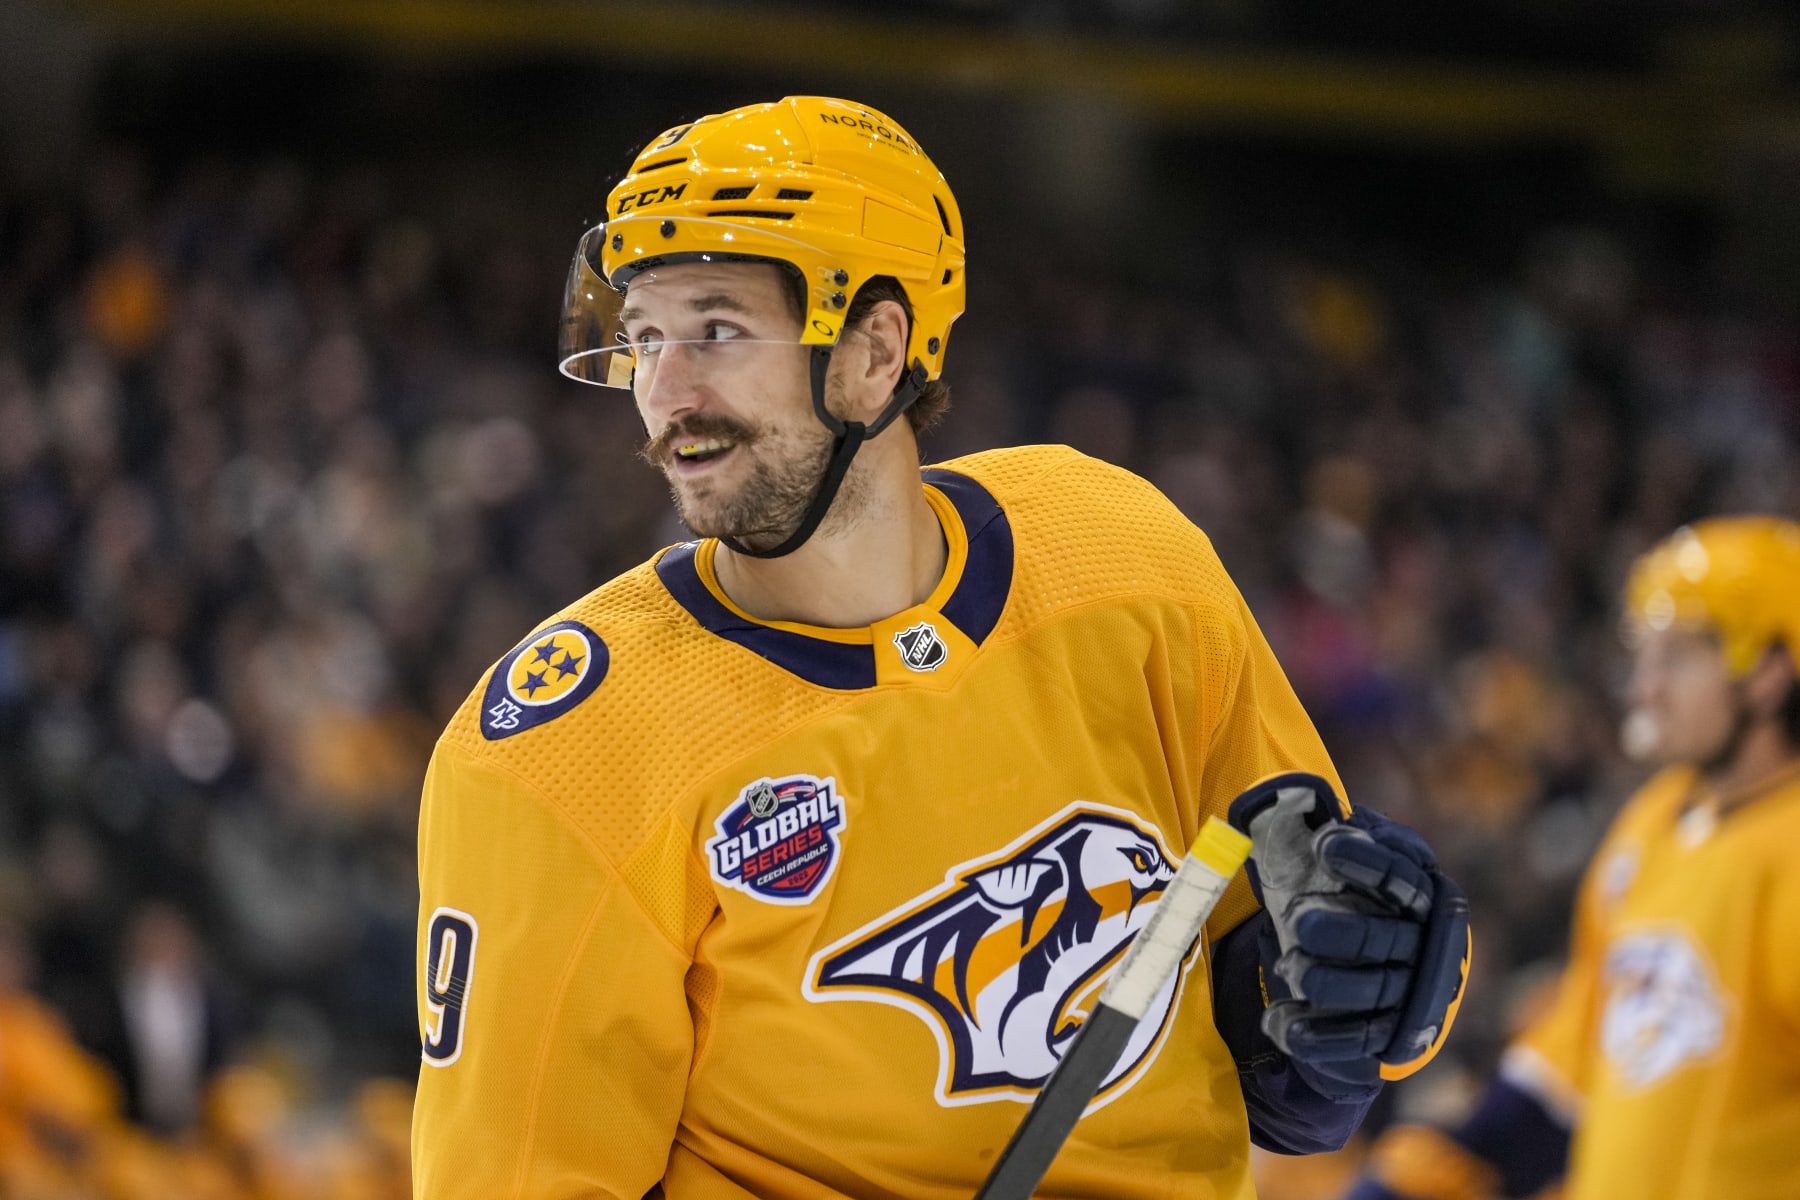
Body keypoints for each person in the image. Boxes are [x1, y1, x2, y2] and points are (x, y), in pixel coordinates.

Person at [411, 96, 1469, 1199]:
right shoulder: (559, 756)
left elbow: (1288, 1036)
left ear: (876, 353)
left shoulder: (1122, 555)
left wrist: (1352, 997)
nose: (663, 394)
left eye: (716, 330)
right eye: (643, 338)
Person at [1345, 517, 1800, 1200]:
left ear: (1769, 670)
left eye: (1676, 658)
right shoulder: (1651, 823)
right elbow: (1579, 1061)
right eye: (1642, 658)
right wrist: (1434, 1174)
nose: (1645, 689)